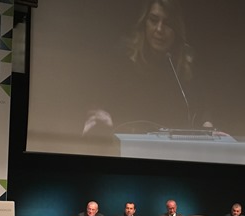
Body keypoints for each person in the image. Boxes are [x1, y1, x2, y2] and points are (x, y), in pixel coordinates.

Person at [83, 0, 205, 143]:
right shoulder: (122, 57)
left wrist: (206, 122)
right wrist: (101, 114)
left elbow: (200, 111)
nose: (159, 29)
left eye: (167, 23)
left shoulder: (185, 65)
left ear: (177, 28)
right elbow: (97, 105)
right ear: (144, 22)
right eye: (153, 20)